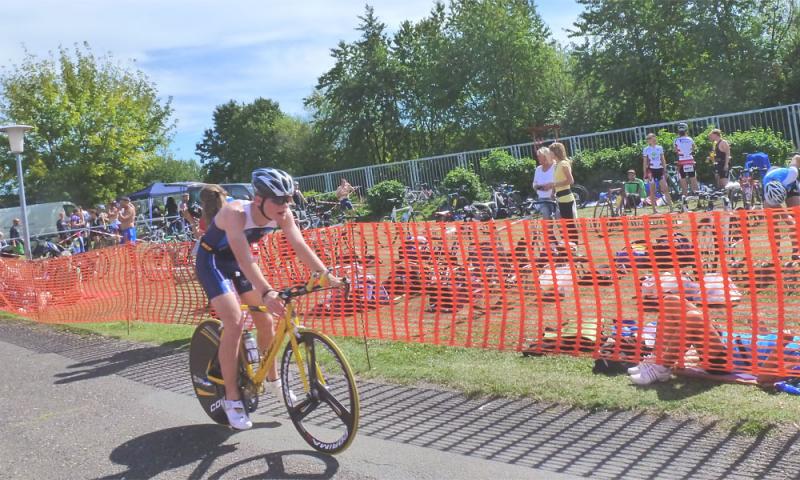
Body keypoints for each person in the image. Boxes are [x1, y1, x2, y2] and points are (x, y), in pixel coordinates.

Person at [195, 168, 344, 430]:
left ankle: (274, 381)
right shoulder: (235, 213)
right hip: (212, 262)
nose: (286, 205)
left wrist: (326, 275)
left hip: (237, 262)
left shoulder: (284, 214)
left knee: (266, 322)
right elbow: (245, 259)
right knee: (235, 321)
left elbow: (299, 244)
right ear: (258, 199)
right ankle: (232, 399)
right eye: (279, 199)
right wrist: (266, 291)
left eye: (289, 198)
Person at [629, 296, 799, 385]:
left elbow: (763, 377)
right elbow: (765, 343)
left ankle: (661, 367)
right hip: (726, 339)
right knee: (671, 302)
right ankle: (655, 358)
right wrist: (760, 327)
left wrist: (782, 342)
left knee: (693, 318)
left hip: (725, 361)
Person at [550, 142, 579, 244]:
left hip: (566, 197)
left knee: (569, 223)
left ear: (555, 152)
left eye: (551, 152)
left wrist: (555, 184)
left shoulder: (563, 164)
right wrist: (553, 191)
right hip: (560, 198)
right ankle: (569, 244)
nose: (549, 154)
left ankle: (574, 244)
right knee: (564, 223)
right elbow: (557, 181)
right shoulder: (556, 165)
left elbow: (570, 180)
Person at [642, 133, 673, 213]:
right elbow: (645, 162)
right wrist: (645, 173)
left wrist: (665, 170)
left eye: (654, 138)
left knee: (665, 189)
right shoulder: (646, 149)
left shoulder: (659, 148)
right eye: (651, 138)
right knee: (652, 190)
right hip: (651, 171)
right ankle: (654, 210)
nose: (653, 139)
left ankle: (671, 208)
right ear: (648, 140)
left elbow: (663, 159)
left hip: (659, 169)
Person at [673, 123, 698, 198]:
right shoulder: (690, 139)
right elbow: (694, 148)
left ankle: (685, 196)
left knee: (682, 178)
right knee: (693, 177)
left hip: (681, 161)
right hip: (690, 160)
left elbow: (675, 150)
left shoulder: (676, 140)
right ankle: (697, 195)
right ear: (686, 130)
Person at [532, 146, 557, 220]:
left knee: (559, 220)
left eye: (539, 156)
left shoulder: (555, 167)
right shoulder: (538, 169)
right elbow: (534, 184)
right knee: (546, 219)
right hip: (542, 199)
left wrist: (551, 187)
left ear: (546, 156)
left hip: (555, 198)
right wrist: (541, 187)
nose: (538, 158)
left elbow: (559, 181)